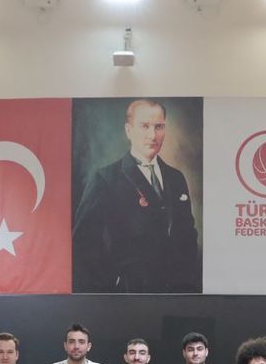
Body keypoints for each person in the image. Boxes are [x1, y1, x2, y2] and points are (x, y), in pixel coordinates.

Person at [71, 97, 200, 293]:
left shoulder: (176, 178)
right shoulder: (105, 179)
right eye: (145, 126)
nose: (153, 135)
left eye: (159, 127)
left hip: (176, 292)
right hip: (129, 294)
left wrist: (186, 280)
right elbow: (84, 242)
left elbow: (188, 234)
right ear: (129, 131)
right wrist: (112, 284)